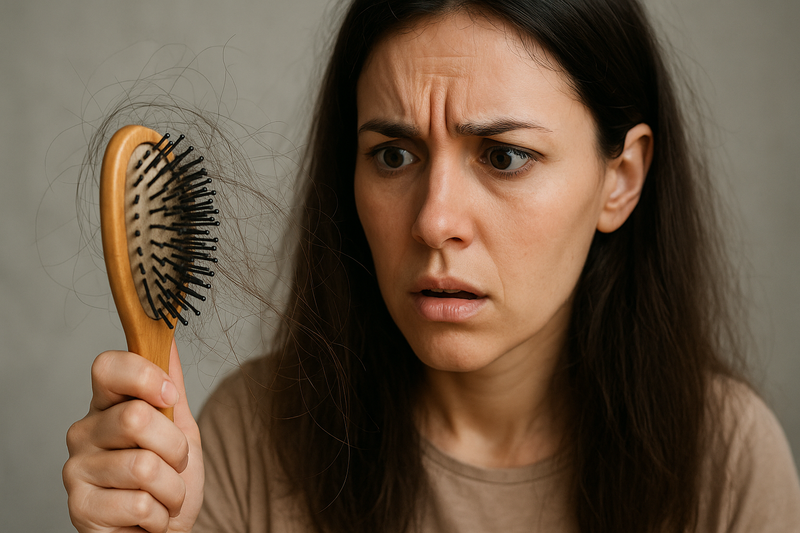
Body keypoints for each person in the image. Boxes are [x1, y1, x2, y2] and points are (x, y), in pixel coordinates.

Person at [62, 0, 800, 532]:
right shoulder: (246, 440)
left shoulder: (726, 460)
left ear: (622, 177)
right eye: (393, 154)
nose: (434, 219)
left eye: (504, 156)